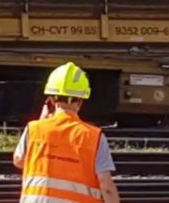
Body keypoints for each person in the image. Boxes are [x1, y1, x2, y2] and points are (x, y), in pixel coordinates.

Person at [12, 62, 120, 203]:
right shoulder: (94, 137)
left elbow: (19, 161)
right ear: (80, 102)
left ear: (51, 100)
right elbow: (106, 187)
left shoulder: (33, 129)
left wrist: (41, 121)